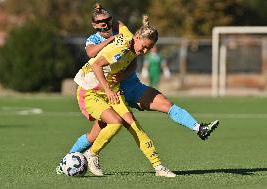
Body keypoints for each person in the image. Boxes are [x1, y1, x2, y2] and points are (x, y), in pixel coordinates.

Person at [68, 3, 219, 156]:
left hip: (130, 85)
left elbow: (132, 58)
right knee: (95, 134)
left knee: (166, 104)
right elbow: (91, 54)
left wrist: (124, 74)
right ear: (95, 25)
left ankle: (199, 128)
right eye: (101, 24)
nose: (145, 51)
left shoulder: (124, 33)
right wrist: (112, 39)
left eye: (108, 22)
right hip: (107, 90)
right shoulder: (95, 38)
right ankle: (70, 158)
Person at [71, 14, 175, 177]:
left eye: (149, 48)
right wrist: (108, 90)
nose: (145, 51)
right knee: (115, 123)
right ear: (137, 37)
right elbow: (97, 65)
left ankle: (158, 167)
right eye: (144, 46)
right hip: (90, 91)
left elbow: (119, 24)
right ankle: (91, 154)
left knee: (134, 125)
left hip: (111, 91)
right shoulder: (122, 47)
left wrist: (124, 74)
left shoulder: (133, 41)